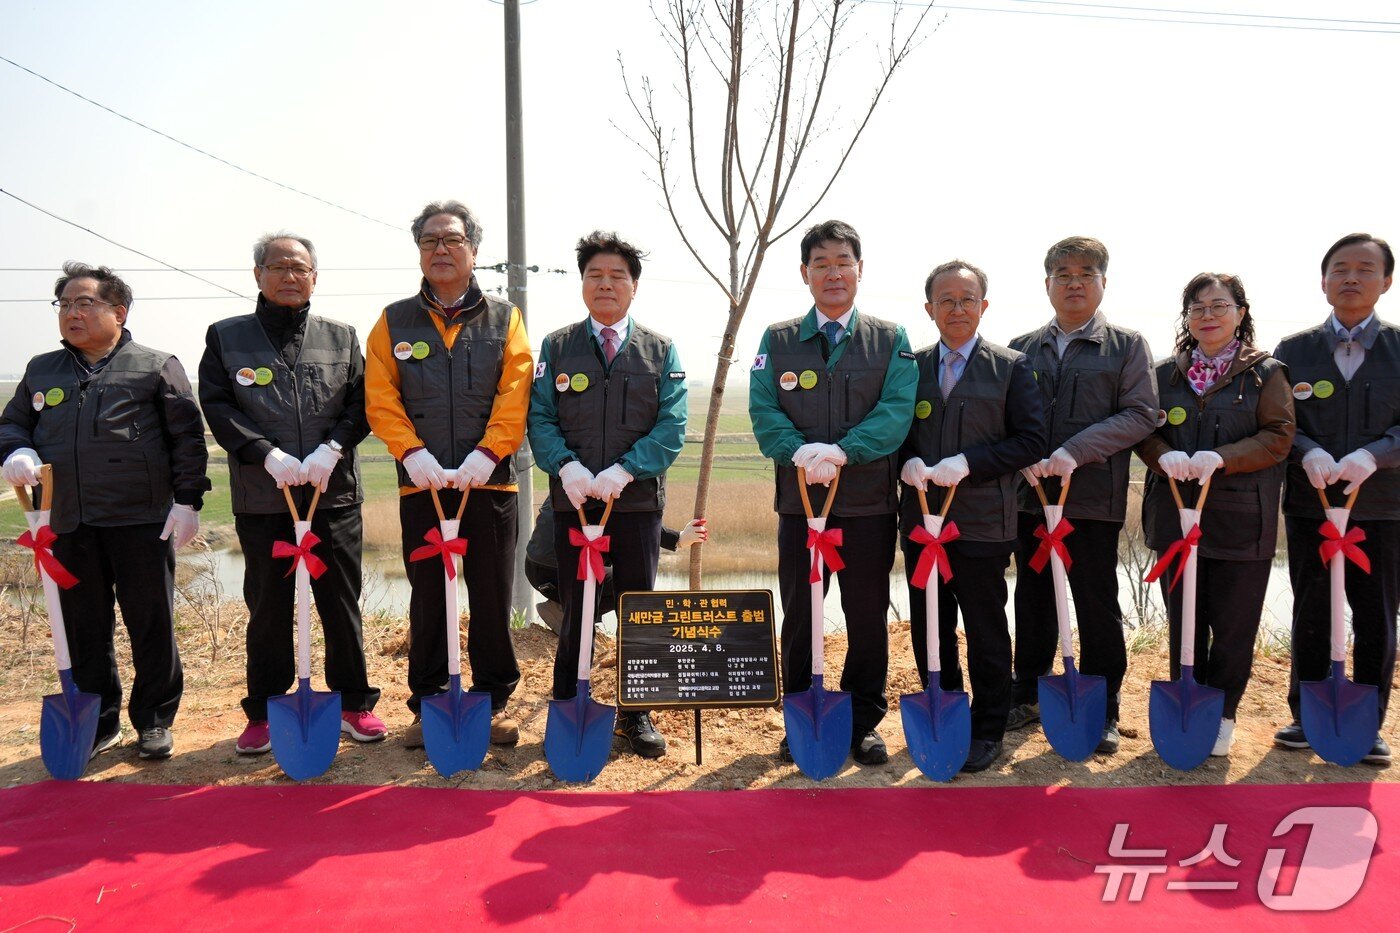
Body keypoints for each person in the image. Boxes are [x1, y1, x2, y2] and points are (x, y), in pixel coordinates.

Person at [0, 262, 209, 760]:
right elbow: (14, 424)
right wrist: (16, 451)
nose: (72, 313)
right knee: (83, 625)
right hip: (68, 519)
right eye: (65, 304)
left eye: (84, 303)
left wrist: (187, 502)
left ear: (119, 311)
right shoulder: (42, 369)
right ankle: (99, 721)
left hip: (140, 519)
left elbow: (188, 439)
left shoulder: (155, 364)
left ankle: (154, 720)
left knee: (150, 622)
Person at [199, 232, 384, 755]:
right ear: (256, 274)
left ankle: (354, 703)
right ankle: (263, 709)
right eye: (277, 266)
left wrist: (333, 448)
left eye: (299, 268)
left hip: (333, 493)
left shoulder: (341, 337)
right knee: (268, 603)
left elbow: (361, 403)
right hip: (264, 496)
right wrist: (265, 453)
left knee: (340, 600)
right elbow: (216, 405)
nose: (289, 276)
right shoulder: (226, 337)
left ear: (315, 278)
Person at [749, 219, 918, 766]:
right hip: (800, 504)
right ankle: (801, 712)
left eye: (843, 262)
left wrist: (846, 450)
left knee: (866, 611)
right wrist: (797, 451)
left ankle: (863, 720)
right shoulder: (777, 340)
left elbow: (896, 409)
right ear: (805, 274)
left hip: (867, 503)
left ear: (860, 270)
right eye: (820, 263)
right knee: (800, 612)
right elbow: (763, 408)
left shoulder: (890, 339)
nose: (833, 273)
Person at [365, 201, 533, 750]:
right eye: (431, 240)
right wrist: (411, 452)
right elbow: (381, 394)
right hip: (424, 483)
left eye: (453, 239)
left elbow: (516, 391)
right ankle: (429, 703)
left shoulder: (504, 318)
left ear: (473, 251)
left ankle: (492, 699)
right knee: (429, 595)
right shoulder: (392, 321)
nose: (442, 248)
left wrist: (489, 452)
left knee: (490, 594)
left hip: (491, 483)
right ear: (419, 251)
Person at [527, 231, 687, 758]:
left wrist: (627, 469)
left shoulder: (660, 349)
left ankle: (636, 714)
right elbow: (541, 417)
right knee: (577, 604)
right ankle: (570, 700)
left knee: (638, 607)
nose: (606, 284)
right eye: (595, 275)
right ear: (582, 284)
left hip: (636, 503)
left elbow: (672, 424)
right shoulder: (556, 346)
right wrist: (566, 466)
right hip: (574, 501)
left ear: (634, 287)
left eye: (617, 276)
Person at [1007, 236, 1157, 754]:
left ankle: (1105, 705)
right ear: (1046, 282)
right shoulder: (1022, 348)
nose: (1074, 282)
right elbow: (1007, 416)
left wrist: (1076, 450)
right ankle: (1027, 693)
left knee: (1096, 602)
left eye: (1085, 273)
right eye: (1063, 273)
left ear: (1103, 283)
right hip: (1029, 498)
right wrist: (1019, 453)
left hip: (1092, 499)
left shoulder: (1127, 346)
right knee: (1031, 599)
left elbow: (1141, 414)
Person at [1135, 273, 1294, 757]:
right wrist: (1160, 454)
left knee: (1232, 625)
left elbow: (1279, 435)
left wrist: (1222, 457)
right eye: (1197, 308)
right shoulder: (1163, 375)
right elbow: (1142, 427)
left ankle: (1223, 714)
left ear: (1240, 313)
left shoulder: (1266, 373)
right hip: (1176, 518)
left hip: (1240, 520)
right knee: (1185, 619)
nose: (1208, 316)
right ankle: (1188, 706)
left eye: (1219, 306)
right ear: (1186, 317)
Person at [898, 260, 1046, 773]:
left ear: (983, 306)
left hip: (983, 521)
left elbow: (1031, 440)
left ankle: (988, 727)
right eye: (946, 300)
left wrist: (970, 464)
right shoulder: (909, 367)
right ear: (929, 309)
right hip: (921, 520)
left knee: (985, 626)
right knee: (929, 624)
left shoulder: (1011, 366)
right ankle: (945, 710)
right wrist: (905, 462)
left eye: (967, 299)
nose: (956, 309)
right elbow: (890, 432)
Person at [1272, 232, 1398, 765]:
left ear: (1386, 281)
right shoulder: (1293, 351)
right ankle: (1307, 712)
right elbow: (1276, 422)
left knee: (1377, 614)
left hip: (1382, 506)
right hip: (1311, 505)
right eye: (1340, 268)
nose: (1351, 277)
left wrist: (1378, 454)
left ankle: (1367, 721)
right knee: (1313, 608)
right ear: (1323, 282)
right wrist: (1306, 451)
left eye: (1365, 269)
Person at [524, 500, 708, 633]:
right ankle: (568, 613)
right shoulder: (607, 482)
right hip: (566, 573)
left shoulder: (572, 475)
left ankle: (566, 608)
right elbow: (634, 524)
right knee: (629, 585)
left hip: (533, 567)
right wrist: (678, 539)